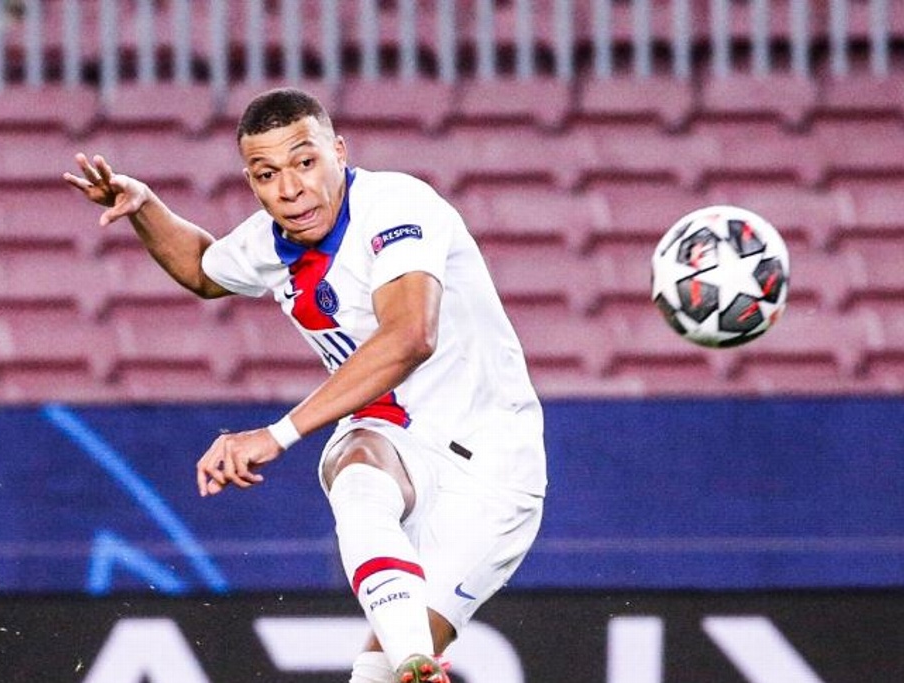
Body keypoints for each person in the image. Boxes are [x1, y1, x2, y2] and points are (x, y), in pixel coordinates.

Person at [64, 87, 547, 683]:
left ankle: (403, 664)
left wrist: (276, 434)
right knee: (356, 463)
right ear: (251, 182)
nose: (289, 189)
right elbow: (203, 269)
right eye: (267, 174)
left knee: (373, 668)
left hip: (493, 466)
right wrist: (145, 206)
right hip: (397, 438)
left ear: (338, 152)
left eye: (305, 162)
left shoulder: (396, 206)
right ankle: (417, 665)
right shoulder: (272, 239)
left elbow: (410, 336)